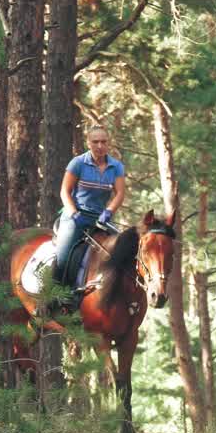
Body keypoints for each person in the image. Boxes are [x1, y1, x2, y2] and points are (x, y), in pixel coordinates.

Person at [52, 126, 127, 307]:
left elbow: (119, 194)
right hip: (76, 215)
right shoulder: (77, 163)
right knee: (63, 256)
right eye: (95, 142)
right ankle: (55, 296)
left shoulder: (116, 167)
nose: (100, 146)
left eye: (104, 142)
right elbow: (65, 191)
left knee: (120, 250)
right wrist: (73, 213)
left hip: (100, 218)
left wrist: (108, 212)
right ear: (88, 143)